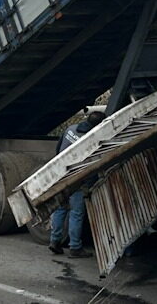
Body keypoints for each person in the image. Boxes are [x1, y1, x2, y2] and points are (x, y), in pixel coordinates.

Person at [49, 109, 106, 258]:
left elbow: (58, 149)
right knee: (76, 212)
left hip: (60, 174)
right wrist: (90, 183)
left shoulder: (70, 129)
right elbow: (92, 165)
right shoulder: (91, 140)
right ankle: (75, 247)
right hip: (76, 180)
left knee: (60, 209)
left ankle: (55, 241)